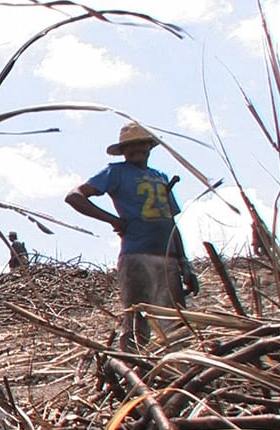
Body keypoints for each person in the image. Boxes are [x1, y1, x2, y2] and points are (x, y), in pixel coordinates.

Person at [65, 122, 199, 349]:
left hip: (168, 258)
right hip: (137, 255)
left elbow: (170, 221)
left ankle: (175, 374)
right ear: (123, 151)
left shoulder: (161, 177)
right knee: (138, 320)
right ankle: (135, 372)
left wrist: (184, 261)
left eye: (140, 144)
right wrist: (113, 220)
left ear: (149, 147)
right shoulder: (115, 172)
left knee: (175, 323)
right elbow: (75, 196)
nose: (136, 150)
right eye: (129, 147)